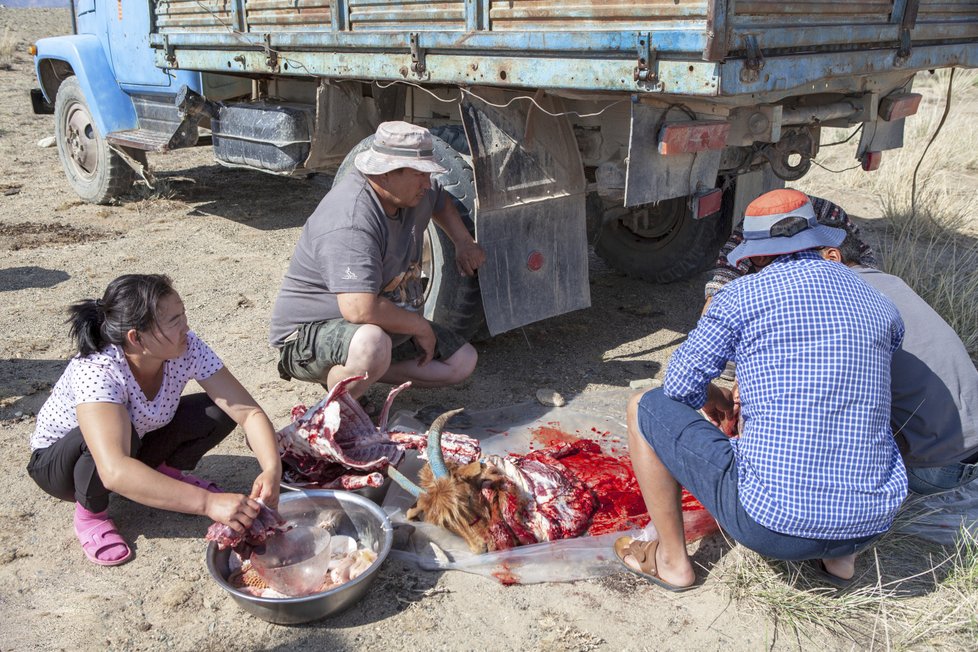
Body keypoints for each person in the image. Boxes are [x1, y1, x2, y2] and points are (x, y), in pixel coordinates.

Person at [616, 189, 908, 590]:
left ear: (753, 256)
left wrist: (713, 396)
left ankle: (671, 562)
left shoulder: (740, 295)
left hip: (771, 526)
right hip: (872, 522)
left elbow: (679, 387)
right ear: (819, 240)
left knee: (642, 406)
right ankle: (840, 562)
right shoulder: (878, 301)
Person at [27, 274, 282, 567]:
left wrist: (271, 468)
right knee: (107, 438)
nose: (186, 326)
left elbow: (248, 412)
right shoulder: (98, 369)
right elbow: (113, 469)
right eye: (174, 321)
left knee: (219, 410)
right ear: (136, 337)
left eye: (183, 314)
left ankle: (161, 476)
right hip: (63, 467)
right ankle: (91, 514)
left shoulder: (186, 347)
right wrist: (207, 503)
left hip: (135, 443)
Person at [270, 121, 486, 401]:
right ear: (384, 174)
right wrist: (419, 326)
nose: (427, 182)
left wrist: (463, 242)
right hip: (309, 335)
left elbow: (440, 199)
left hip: (372, 328)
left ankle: (366, 370)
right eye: (419, 173)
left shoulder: (413, 190)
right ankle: (338, 411)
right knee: (372, 344)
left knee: (461, 362)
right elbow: (359, 309)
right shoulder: (351, 219)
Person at [821, 237, 978, 495]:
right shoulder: (890, 282)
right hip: (965, 454)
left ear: (832, 257)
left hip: (933, 470)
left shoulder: (840, 300)